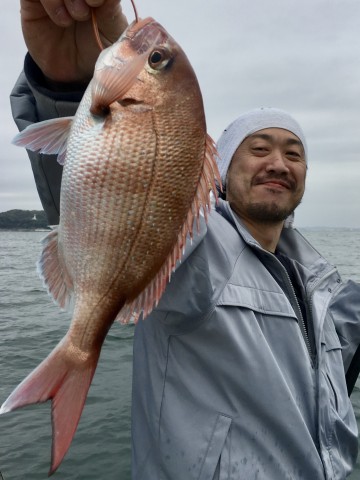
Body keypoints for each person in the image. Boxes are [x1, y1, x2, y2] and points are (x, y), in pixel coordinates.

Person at [10, 1, 360, 479]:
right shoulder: (200, 249)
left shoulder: (321, 284)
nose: (278, 162)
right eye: (258, 149)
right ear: (218, 168)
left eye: (293, 152)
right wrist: (68, 85)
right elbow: (108, 184)